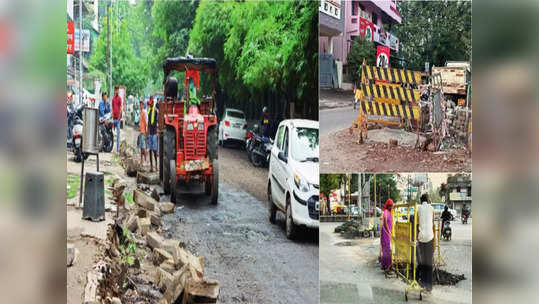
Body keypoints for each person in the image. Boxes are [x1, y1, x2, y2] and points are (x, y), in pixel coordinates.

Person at [416, 193, 435, 292]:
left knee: (423, 262)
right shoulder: (431, 208)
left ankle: (423, 284)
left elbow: (417, 222)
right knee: (429, 262)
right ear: (427, 200)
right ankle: (429, 286)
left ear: (421, 200)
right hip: (430, 237)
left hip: (422, 238)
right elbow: (432, 223)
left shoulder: (418, 208)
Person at [380, 199, 393, 272]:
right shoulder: (385, 212)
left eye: (392, 206)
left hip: (388, 233)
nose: (391, 207)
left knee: (387, 249)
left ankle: (385, 265)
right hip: (386, 233)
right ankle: (387, 266)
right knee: (387, 249)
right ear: (388, 206)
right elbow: (385, 223)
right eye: (390, 206)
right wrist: (389, 232)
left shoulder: (390, 212)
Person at [147, 97, 159, 172]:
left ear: (153, 103)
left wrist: (157, 132)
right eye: (149, 103)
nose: (150, 104)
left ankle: (156, 165)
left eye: (151, 103)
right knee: (150, 150)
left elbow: (157, 122)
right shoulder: (149, 111)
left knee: (154, 150)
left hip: (154, 133)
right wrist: (147, 133)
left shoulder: (156, 111)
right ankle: (151, 166)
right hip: (150, 132)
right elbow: (148, 122)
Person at [112, 86, 122, 153]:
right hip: (114, 118)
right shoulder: (113, 99)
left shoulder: (119, 98)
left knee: (118, 135)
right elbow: (112, 108)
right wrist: (112, 115)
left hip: (118, 119)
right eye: (116, 90)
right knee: (112, 133)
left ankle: (118, 149)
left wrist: (119, 116)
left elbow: (120, 107)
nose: (117, 91)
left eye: (118, 90)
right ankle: (112, 147)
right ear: (115, 91)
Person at [138, 99, 147, 166]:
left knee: (143, 147)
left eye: (141, 104)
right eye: (140, 104)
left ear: (143, 105)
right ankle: (141, 160)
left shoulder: (144, 112)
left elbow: (146, 122)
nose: (140, 106)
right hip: (141, 131)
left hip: (143, 131)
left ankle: (145, 160)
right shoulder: (140, 112)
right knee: (141, 147)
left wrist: (146, 132)